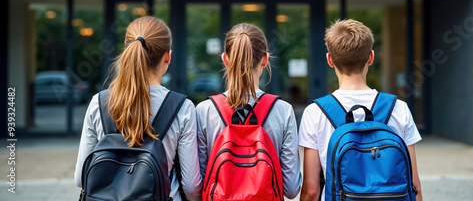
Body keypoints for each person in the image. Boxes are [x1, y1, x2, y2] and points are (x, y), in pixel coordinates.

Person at [74, 16, 202, 201]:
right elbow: (191, 187)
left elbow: (81, 178)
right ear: (168, 56)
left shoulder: (99, 103)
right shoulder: (182, 107)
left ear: (128, 50)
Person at [298, 19, 423, 201]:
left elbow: (311, 191)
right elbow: (414, 185)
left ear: (330, 60)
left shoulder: (315, 112)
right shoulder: (399, 108)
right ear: (371, 57)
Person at [196, 23, 302, 199]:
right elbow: (291, 190)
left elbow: (196, 186)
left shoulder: (204, 110)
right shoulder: (284, 111)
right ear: (265, 60)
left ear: (225, 60)